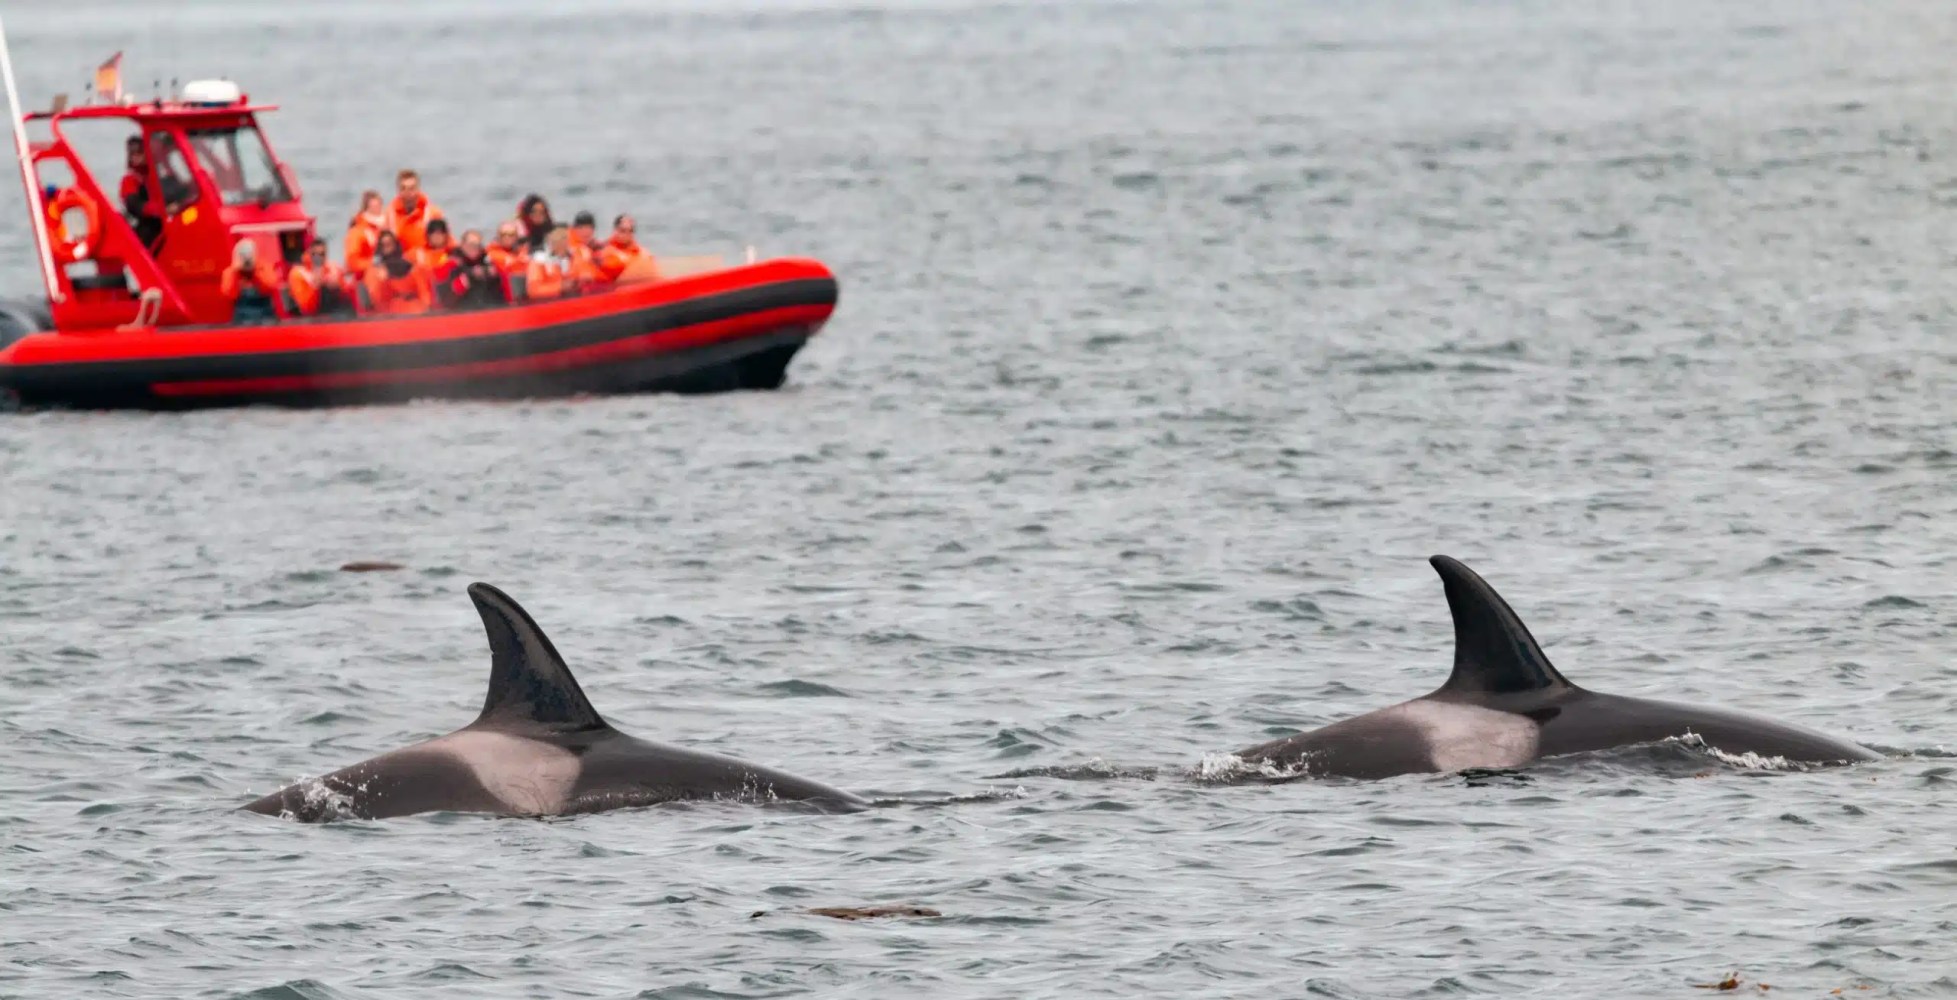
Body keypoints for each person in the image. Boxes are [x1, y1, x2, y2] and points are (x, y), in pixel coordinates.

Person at [363, 230, 433, 315]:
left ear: (396, 244)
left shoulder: (411, 265)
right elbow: (377, 300)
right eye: (384, 244)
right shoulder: (374, 270)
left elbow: (423, 290)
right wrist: (383, 281)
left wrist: (427, 309)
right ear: (379, 247)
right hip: (389, 315)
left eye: (390, 243)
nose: (387, 246)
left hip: (415, 310)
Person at [438, 229, 508, 310]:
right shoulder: (451, 265)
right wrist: (462, 283)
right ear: (463, 245)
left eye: (477, 245)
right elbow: (444, 302)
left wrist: (494, 278)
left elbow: (501, 299)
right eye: (471, 244)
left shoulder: (487, 263)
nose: (474, 248)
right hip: (460, 314)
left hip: (487, 311)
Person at [220, 239, 281, 323]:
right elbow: (230, 295)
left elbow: (271, 286)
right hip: (242, 317)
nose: (247, 261)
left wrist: (256, 272)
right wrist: (235, 272)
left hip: (266, 316)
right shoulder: (230, 272)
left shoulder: (264, 268)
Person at [118, 135, 163, 248]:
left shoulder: (154, 176)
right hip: (143, 226)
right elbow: (134, 205)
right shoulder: (129, 180)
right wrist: (158, 208)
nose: (136, 156)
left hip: (160, 221)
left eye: (140, 152)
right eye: (133, 153)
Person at [287, 238, 350, 317]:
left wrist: (338, 284)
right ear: (309, 253)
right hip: (310, 315)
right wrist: (317, 284)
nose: (319, 258)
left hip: (333, 311)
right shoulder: (298, 273)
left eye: (322, 254)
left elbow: (345, 291)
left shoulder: (330, 267)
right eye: (315, 254)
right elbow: (305, 306)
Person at [389, 168, 443, 255]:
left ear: (418, 189)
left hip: (427, 263)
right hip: (400, 264)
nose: (408, 193)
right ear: (398, 191)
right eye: (403, 188)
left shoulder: (432, 214)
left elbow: (447, 244)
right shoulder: (390, 215)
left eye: (411, 188)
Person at [524, 226, 584, 301]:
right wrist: (560, 286)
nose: (562, 244)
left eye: (564, 240)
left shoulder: (573, 257)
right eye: (558, 241)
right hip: (547, 304)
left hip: (572, 301)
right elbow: (533, 291)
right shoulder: (538, 261)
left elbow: (583, 277)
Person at [596, 213, 658, 283]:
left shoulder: (640, 251)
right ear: (615, 230)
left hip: (638, 287)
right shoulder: (605, 250)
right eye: (623, 231)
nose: (627, 234)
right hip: (613, 289)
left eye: (630, 231)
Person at [344, 190, 389, 274]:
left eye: (379, 206)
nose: (378, 210)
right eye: (374, 207)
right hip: (365, 277)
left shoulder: (387, 226)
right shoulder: (357, 231)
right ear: (366, 209)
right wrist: (373, 263)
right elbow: (352, 262)